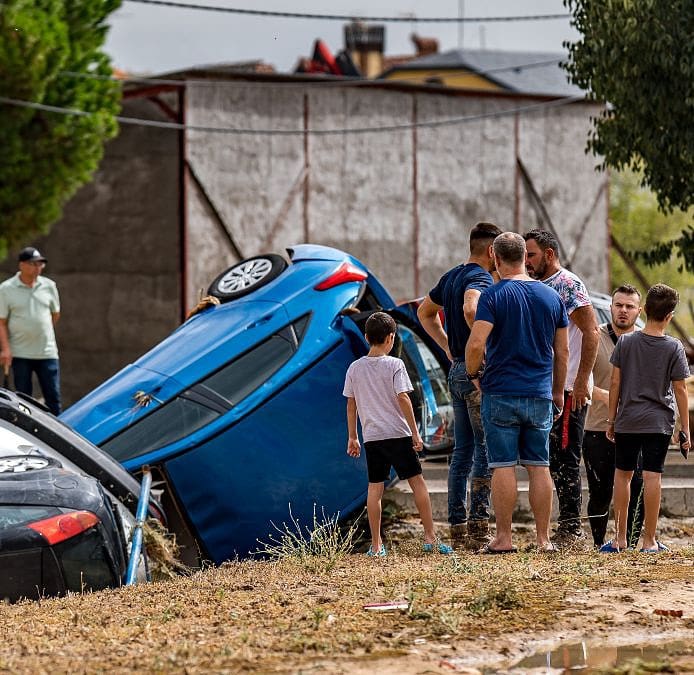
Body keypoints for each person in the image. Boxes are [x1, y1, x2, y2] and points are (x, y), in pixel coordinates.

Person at [465, 233, 568, 553]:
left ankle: (504, 538)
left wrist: (474, 374)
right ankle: (543, 539)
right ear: (525, 256)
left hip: (500, 392)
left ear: (494, 256)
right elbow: (562, 352)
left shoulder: (493, 296)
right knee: (540, 466)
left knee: (502, 466)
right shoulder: (552, 297)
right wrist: (557, 392)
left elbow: (477, 343)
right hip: (539, 392)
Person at [417, 221, 502, 550]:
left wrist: (448, 347)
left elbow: (425, 312)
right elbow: (470, 307)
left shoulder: (451, 275)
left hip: (455, 371)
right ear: (492, 251)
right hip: (475, 372)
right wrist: (475, 349)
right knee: (484, 448)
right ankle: (479, 531)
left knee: (461, 453)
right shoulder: (480, 277)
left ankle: (456, 526)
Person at [343, 312, 453, 557]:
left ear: (366, 337)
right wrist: (416, 433)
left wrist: (353, 436)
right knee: (417, 483)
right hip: (397, 433)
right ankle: (430, 538)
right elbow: (403, 397)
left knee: (375, 489)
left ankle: (376, 546)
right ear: (391, 338)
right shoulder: (395, 364)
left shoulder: (355, 368)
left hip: (372, 437)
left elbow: (351, 404)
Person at [524, 229, 598, 548]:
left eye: (532, 255)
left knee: (566, 457)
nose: (527, 261)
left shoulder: (568, 285)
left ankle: (570, 530)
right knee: (551, 458)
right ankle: (562, 527)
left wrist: (581, 381)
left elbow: (592, 333)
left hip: (568, 389)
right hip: (546, 387)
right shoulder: (537, 286)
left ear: (549, 255)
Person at [602, 284, 690, 553]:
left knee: (623, 476)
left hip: (628, 420)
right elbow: (681, 389)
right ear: (669, 316)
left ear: (645, 310)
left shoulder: (626, 342)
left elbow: (615, 382)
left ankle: (619, 539)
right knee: (653, 478)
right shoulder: (674, 347)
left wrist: (611, 419)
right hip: (658, 423)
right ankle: (650, 541)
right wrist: (684, 427)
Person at [582, 285, 645, 548]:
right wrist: (613, 399)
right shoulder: (595, 338)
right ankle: (599, 544)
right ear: (611, 308)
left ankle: (629, 543)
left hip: (638, 430)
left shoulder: (646, 341)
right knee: (600, 491)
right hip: (597, 427)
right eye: (619, 305)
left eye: (629, 306)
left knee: (638, 487)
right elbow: (583, 383)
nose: (623, 311)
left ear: (638, 311)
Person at [0, 247, 61, 415]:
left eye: (40, 264)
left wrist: (40, 331)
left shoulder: (49, 286)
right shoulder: (6, 288)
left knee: (53, 398)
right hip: (20, 353)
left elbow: (55, 315)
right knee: (23, 400)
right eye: (33, 264)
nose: (38, 267)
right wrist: (6, 349)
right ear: (21, 265)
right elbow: (1, 322)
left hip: (47, 352)